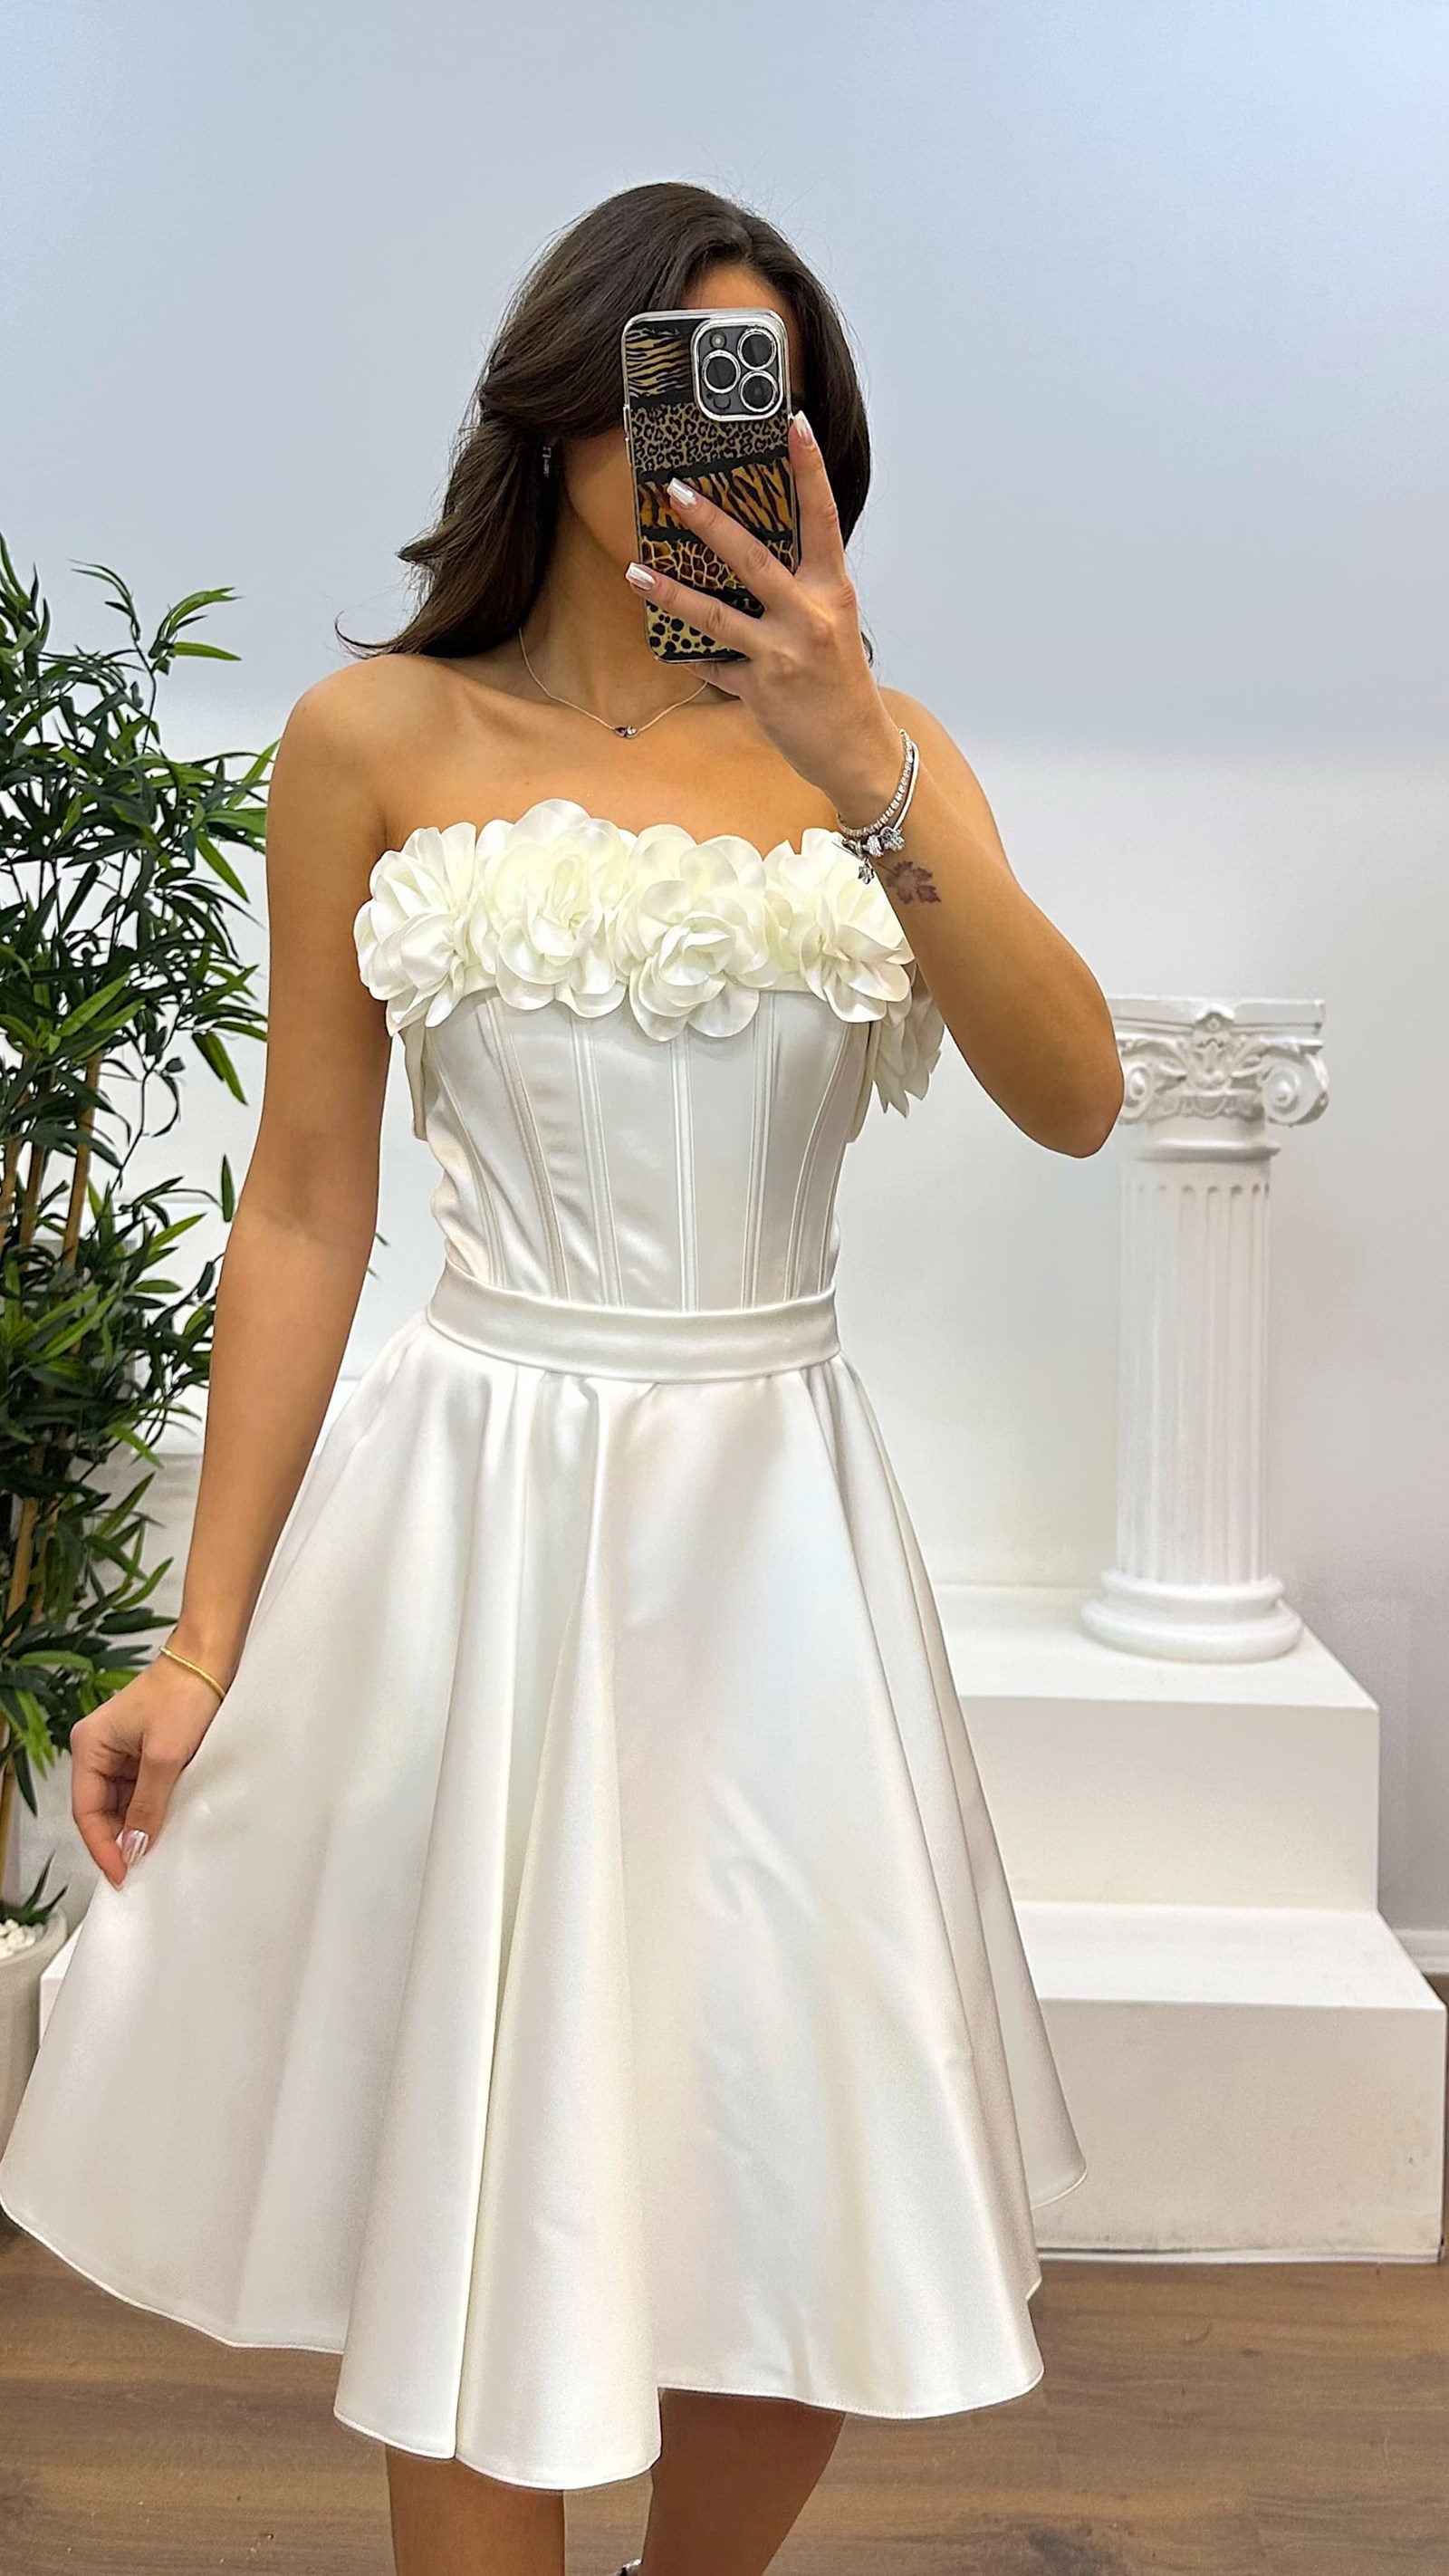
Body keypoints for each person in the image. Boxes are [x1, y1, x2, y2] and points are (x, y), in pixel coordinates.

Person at [0, 180, 1121, 2576]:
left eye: (762, 394)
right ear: (559, 402)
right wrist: (201, 1640)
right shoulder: (373, 738)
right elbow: (307, 1200)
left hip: (774, 1540)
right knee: (486, 2191)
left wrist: (855, 748)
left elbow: (1076, 1093)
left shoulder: (878, 750)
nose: (705, 435)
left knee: (800, 2174)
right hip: (479, 1522)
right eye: (665, 378)